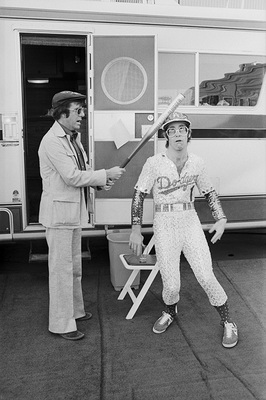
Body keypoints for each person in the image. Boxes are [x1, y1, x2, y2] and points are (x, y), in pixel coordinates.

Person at [129, 111, 238, 348]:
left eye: (182, 129)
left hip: (189, 221)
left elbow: (209, 191)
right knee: (171, 285)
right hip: (164, 223)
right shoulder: (154, 163)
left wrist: (220, 217)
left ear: (189, 133)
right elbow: (139, 194)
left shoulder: (197, 162)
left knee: (206, 275)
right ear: (166, 135)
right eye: (172, 129)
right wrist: (136, 228)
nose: (177, 133)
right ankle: (170, 311)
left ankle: (228, 321)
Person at [38, 91, 125, 341]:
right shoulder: (52, 141)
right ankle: (62, 324)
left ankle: (74, 312)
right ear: (61, 112)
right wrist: (105, 173)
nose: (82, 115)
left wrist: (101, 182)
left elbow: (82, 171)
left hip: (72, 215)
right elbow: (71, 177)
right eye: (78, 111)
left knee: (74, 268)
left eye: (82, 111)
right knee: (61, 272)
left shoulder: (72, 138)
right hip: (59, 217)